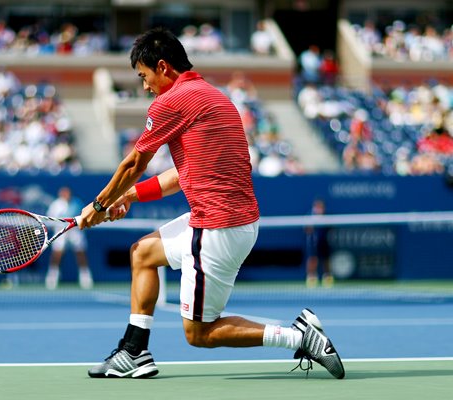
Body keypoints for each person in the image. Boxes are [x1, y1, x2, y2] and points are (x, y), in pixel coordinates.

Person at [78, 27, 345, 380]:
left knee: (200, 333)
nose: (144, 86)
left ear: (162, 67)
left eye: (144, 77)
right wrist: (129, 195)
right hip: (227, 220)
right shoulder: (213, 97)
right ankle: (134, 352)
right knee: (143, 254)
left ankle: (299, 337)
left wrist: (97, 206)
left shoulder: (172, 101)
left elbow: (133, 163)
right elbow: (183, 174)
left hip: (217, 226)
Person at [45, 186, 93, 290]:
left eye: (68, 193)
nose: (66, 195)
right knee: (57, 253)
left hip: (75, 232)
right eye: (64, 193)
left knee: (80, 252)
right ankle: (52, 277)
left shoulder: (77, 203)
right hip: (60, 232)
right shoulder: (56, 205)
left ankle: (85, 277)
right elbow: (50, 220)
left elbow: (83, 217)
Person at [304, 198, 334, 288]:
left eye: (320, 206)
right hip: (313, 243)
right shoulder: (309, 216)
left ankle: (327, 278)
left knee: (326, 260)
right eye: (317, 206)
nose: (318, 208)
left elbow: (331, 228)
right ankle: (311, 278)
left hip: (324, 242)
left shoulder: (327, 216)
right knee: (312, 259)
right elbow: (306, 229)